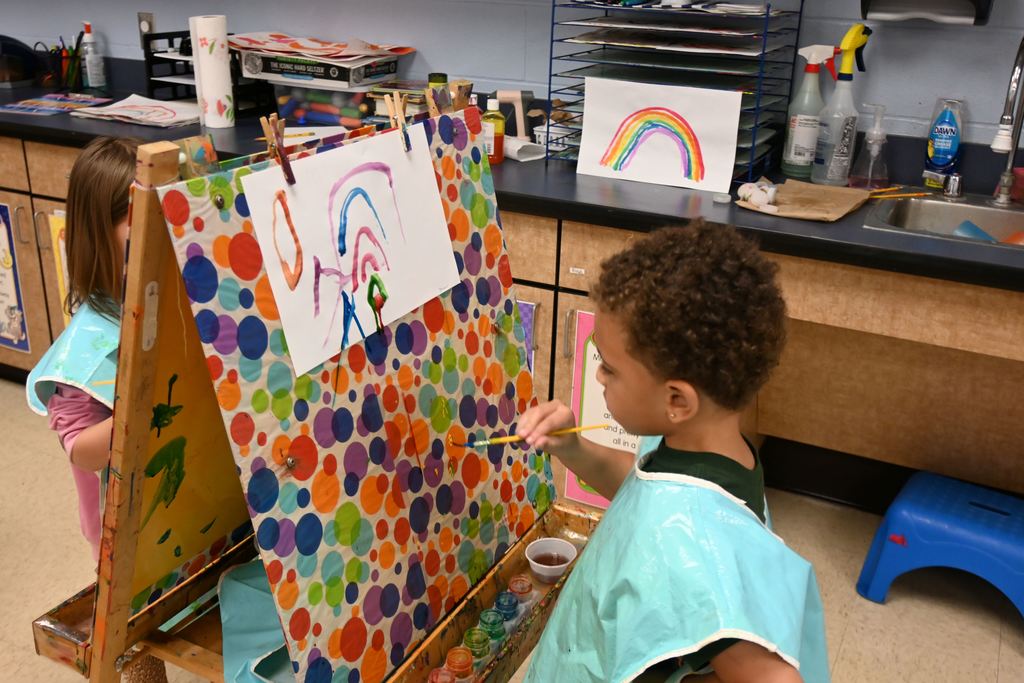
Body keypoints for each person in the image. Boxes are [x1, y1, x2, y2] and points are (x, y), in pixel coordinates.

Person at [519, 221, 830, 682]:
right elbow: (644, 489)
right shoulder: (703, 447)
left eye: (608, 367)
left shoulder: (697, 548)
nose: (599, 378)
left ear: (677, 401)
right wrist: (575, 448)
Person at [26, 136, 168, 683]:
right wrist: (137, 412)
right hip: (119, 519)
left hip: (169, 495)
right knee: (135, 625)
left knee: (178, 593)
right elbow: (81, 449)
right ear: (98, 238)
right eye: (139, 235)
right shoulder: (86, 345)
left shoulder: (157, 298)